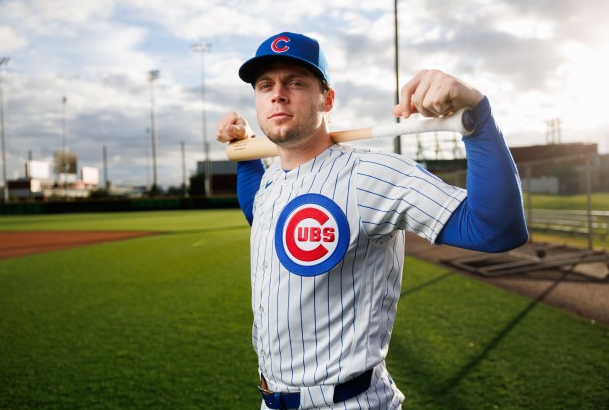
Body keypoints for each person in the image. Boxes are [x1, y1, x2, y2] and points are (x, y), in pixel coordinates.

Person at [215, 31, 528, 410]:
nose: (278, 93)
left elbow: (496, 229)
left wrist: (478, 120)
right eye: (266, 85)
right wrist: (247, 152)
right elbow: (260, 215)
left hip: (349, 402)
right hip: (271, 401)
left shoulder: (370, 174)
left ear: (327, 99)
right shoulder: (271, 183)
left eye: (296, 82)